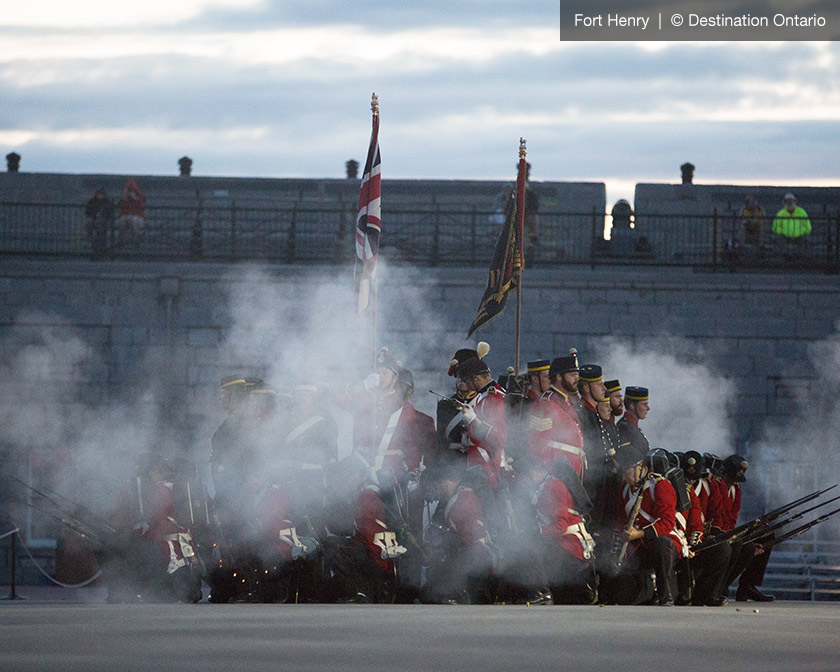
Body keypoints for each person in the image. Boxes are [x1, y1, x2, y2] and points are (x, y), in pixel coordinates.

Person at [610, 444, 679, 606]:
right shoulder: (626, 489)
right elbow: (620, 521)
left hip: (661, 542)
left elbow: (667, 523)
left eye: (627, 473)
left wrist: (639, 534)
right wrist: (615, 552)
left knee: (662, 545)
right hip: (637, 547)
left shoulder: (661, 486)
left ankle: (665, 593)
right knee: (623, 596)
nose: (625, 478)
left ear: (639, 467)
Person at [717, 455, 775, 602]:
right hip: (717, 533)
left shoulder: (736, 489)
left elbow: (732, 517)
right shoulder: (715, 486)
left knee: (766, 533)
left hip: (729, 531)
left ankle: (747, 586)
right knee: (747, 547)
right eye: (731, 478)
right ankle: (721, 585)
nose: (733, 482)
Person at [457, 355, 507, 489]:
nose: (468, 386)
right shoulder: (485, 396)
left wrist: (474, 420)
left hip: (490, 468)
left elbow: (499, 439)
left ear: (476, 379)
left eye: (468, 382)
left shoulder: (493, 397)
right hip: (481, 466)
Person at [772, 193, 811, 259]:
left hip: (799, 235)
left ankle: (801, 258)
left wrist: (802, 232)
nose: (790, 202)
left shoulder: (802, 212)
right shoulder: (780, 213)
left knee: (805, 238)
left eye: (791, 200)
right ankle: (785, 256)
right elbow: (776, 226)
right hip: (785, 236)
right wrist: (781, 232)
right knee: (779, 237)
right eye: (787, 200)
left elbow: (807, 226)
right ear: (784, 202)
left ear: (795, 201)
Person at [617, 386, 651, 455]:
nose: (648, 408)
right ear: (632, 406)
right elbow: (629, 457)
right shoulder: (624, 428)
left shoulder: (631, 425)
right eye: (644, 404)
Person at [84, 188, 114, 260]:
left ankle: (100, 247)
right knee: (90, 224)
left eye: (101, 194)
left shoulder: (107, 202)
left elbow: (110, 212)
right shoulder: (92, 202)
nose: (100, 196)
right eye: (99, 194)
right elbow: (87, 211)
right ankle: (92, 238)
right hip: (93, 220)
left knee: (100, 227)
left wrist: (103, 216)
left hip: (103, 222)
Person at [117, 179, 146, 249]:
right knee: (123, 220)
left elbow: (142, 206)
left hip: (138, 217)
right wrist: (124, 198)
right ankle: (122, 240)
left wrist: (135, 199)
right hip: (126, 216)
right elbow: (121, 207)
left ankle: (135, 240)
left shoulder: (140, 197)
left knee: (133, 220)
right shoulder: (124, 198)